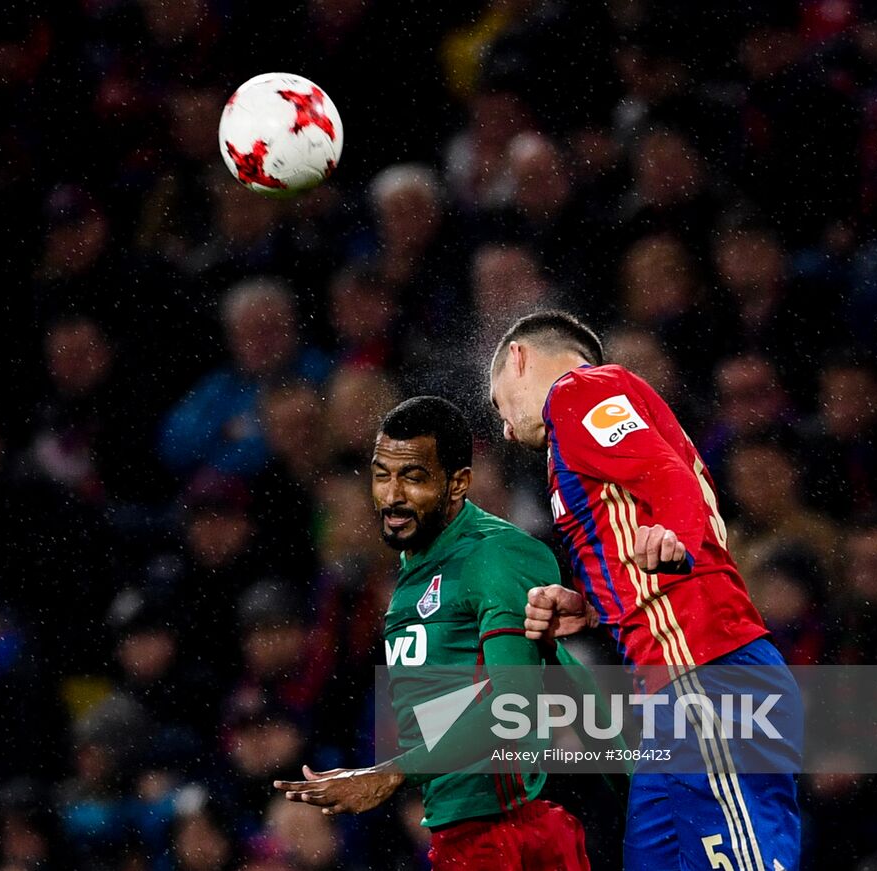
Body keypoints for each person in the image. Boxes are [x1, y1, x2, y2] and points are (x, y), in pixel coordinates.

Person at [488, 311, 801, 871]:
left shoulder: (580, 390)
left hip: (707, 672)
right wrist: (591, 607)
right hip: (671, 689)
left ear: (518, 358)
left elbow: (666, 476)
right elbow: (646, 514)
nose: (507, 429)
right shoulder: (585, 424)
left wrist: (675, 535)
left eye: (498, 404)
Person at [273, 396, 593, 870]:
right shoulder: (411, 573)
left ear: (459, 482)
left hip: (504, 832)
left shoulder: (493, 556)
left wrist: (390, 774)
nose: (392, 495)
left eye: (413, 477)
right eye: (382, 475)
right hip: (460, 835)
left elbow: (517, 707)